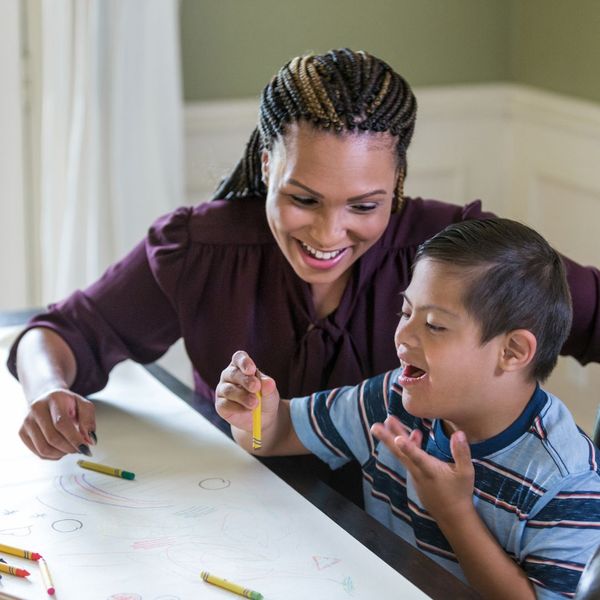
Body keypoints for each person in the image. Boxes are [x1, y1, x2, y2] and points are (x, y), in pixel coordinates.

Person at [7, 48, 600, 462]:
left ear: (397, 181)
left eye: (365, 206)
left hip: (413, 543)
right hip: (237, 512)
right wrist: (46, 392)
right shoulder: (201, 249)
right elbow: (62, 333)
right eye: (303, 198)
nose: (328, 232)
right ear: (268, 165)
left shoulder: (462, 254)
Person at [216, 218, 600, 599]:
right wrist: (255, 415)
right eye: (405, 311)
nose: (402, 334)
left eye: (433, 325)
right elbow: (278, 433)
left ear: (512, 352)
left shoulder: (567, 484)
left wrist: (453, 513)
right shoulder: (392, 399)